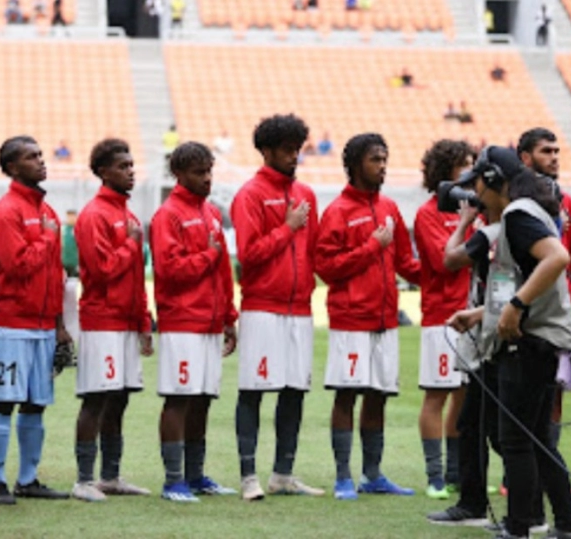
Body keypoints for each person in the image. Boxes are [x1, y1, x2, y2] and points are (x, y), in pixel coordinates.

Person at [447, 150, 571, 539]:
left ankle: (520, 529)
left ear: (492, 179)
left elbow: (556, 257)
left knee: (516, 441)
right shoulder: (528, 212)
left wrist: (515, 306)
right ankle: (569, 526)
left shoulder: (516, 214)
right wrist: (480, 315)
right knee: (538, 440)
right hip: (544, 340)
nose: (474, 191)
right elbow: (534, 270)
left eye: (477, 181)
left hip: (529, 345)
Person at [315, 133, 421, 500]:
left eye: (385, 158)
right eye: (376, 159)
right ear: (356, 163)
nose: (383, 166)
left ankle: (372, 475)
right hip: (351, 319)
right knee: (347, 395)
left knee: (378, 395)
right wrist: (371, 246)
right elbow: (326, 267)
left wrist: (445, 271)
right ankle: (344, 476)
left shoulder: (390, 208)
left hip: (385, 319)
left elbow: (406, 263)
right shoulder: (337, 212)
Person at [230, 113, 323, 500]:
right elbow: (248, 256)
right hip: (262, 308)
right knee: (254, 389)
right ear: (266, 150)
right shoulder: (249, 195)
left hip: (299, 310)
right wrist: (286, 227)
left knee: (294, 390)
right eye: (287, 150)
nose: (293, 157)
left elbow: (314, 252)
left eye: (297, 149)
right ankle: (248, 476)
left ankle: (283, 474)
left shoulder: (308, 196)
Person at [426, 150, 514, 527]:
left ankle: (513, 510)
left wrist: (463, 223)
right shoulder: (513, 227)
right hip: (492, 334)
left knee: (490, 427)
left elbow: (450, 258)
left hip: (491, 338)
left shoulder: (493, 232)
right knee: (476, 423)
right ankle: (480, 503)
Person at [0, 135, 71, 504]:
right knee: (5, 401)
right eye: (31, 157)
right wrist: (48, 241)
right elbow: (16, 266)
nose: (41, 160)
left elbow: (55, 276)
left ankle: (28, 479)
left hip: (43, 326)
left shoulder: (46, 211)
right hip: (12, 323)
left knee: (37, 402)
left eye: (40, 154)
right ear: (12, 168)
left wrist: (60, 325)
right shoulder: (7, 211)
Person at [151, 142, 239, 502]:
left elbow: (222, 272)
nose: (207, 179)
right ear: (179, 174)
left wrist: (229, 317)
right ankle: (173, 481)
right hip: (182, 321)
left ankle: (196, 475)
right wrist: (207, 254)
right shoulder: (167, 215)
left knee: (202, 398)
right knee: (179, 398)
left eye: (209, 172)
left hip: (210, 322)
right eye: (199, 173)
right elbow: (168, 271)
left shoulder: (212, 214)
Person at [71, 138, 152, 502]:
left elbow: (136, 277)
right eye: (123, 166)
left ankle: (110, 476)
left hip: (126, 322)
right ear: (104, 172)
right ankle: (83, 480)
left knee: (119, 398)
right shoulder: (94, 215)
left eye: (132, 165)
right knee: (96, 398)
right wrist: (132, 244)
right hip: (102, 321)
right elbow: (101, 271)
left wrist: (144, 323)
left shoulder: (128, 215)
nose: (130, 172)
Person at [517, 127, 571, 448]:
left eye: (557, 151)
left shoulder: (565, 201)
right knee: (519, 389)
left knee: (554, 389)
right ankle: (516, 472)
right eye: (546, 151)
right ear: (525, 157)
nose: (554, 157)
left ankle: (548, 466)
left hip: (556, 313)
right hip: (518, 310)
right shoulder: (514, 201)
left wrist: (565, 288)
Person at [414, 140, 475, 499]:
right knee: (437, 393)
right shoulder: (428, 213)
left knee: (465, 396)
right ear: (445, 170)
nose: (470, 172)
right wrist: (476, 237)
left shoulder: (475, 209)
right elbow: (443, 260)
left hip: (472, 315)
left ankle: (456, 473)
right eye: (463, 165)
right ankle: (435, 475)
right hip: (442, 315)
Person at [61, 209, 79, 345]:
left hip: (75, 266)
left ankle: (74, 321)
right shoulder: (64, 230)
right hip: (65, 265)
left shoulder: (77, 230)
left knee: (73, 290)